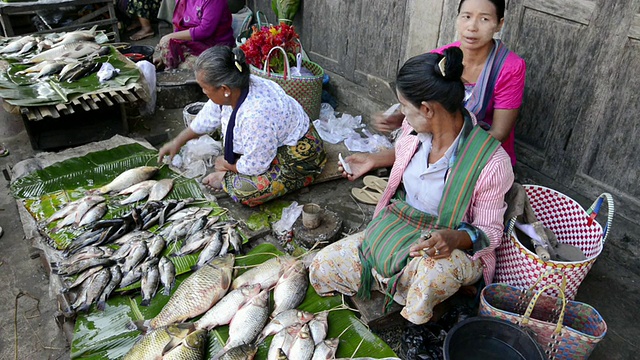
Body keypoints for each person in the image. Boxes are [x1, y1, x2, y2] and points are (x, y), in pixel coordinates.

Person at [309, 48, 514, 325]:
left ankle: (415, 293)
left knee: (430, 279)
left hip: (446, 249)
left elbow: (490, 233)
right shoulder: (413, 130)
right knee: (322, 266)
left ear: (427, 109)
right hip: (402, 227)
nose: (402, 115)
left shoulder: (491, 162)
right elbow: (403, 153)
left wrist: (454, 238)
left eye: (405, 106)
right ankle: (395, 282)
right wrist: (372, 160)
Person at [342, 0, 525, 181]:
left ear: (499, 24)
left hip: (481, 153)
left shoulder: (510, 68)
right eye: (466, 16)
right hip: (437, 144)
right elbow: (428, 114)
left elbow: (499, 132)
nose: (472, 26)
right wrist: (403, 116)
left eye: (484, 19)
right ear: (457, 18)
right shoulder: (440, 58)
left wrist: (386, 159)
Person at [158, 46, 327, 207]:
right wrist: (177, 142)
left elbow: (256, 166)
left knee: (244, 191)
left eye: (204, 88)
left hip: (302, 153)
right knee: (225, 135)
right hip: (270, 140)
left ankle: (227, 179)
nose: (204, 92)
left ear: (224, 89)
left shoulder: (255, 115)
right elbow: (207, 117)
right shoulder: (236, 85)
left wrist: (226, 166)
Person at [152, 0, 235, 70]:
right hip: (193, 43)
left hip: (214, 47)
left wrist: (170, 36)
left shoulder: (214, 1)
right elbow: (179, 25)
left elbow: (204, 30)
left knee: (185, 69)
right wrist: (164, 56)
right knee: (167, 46)